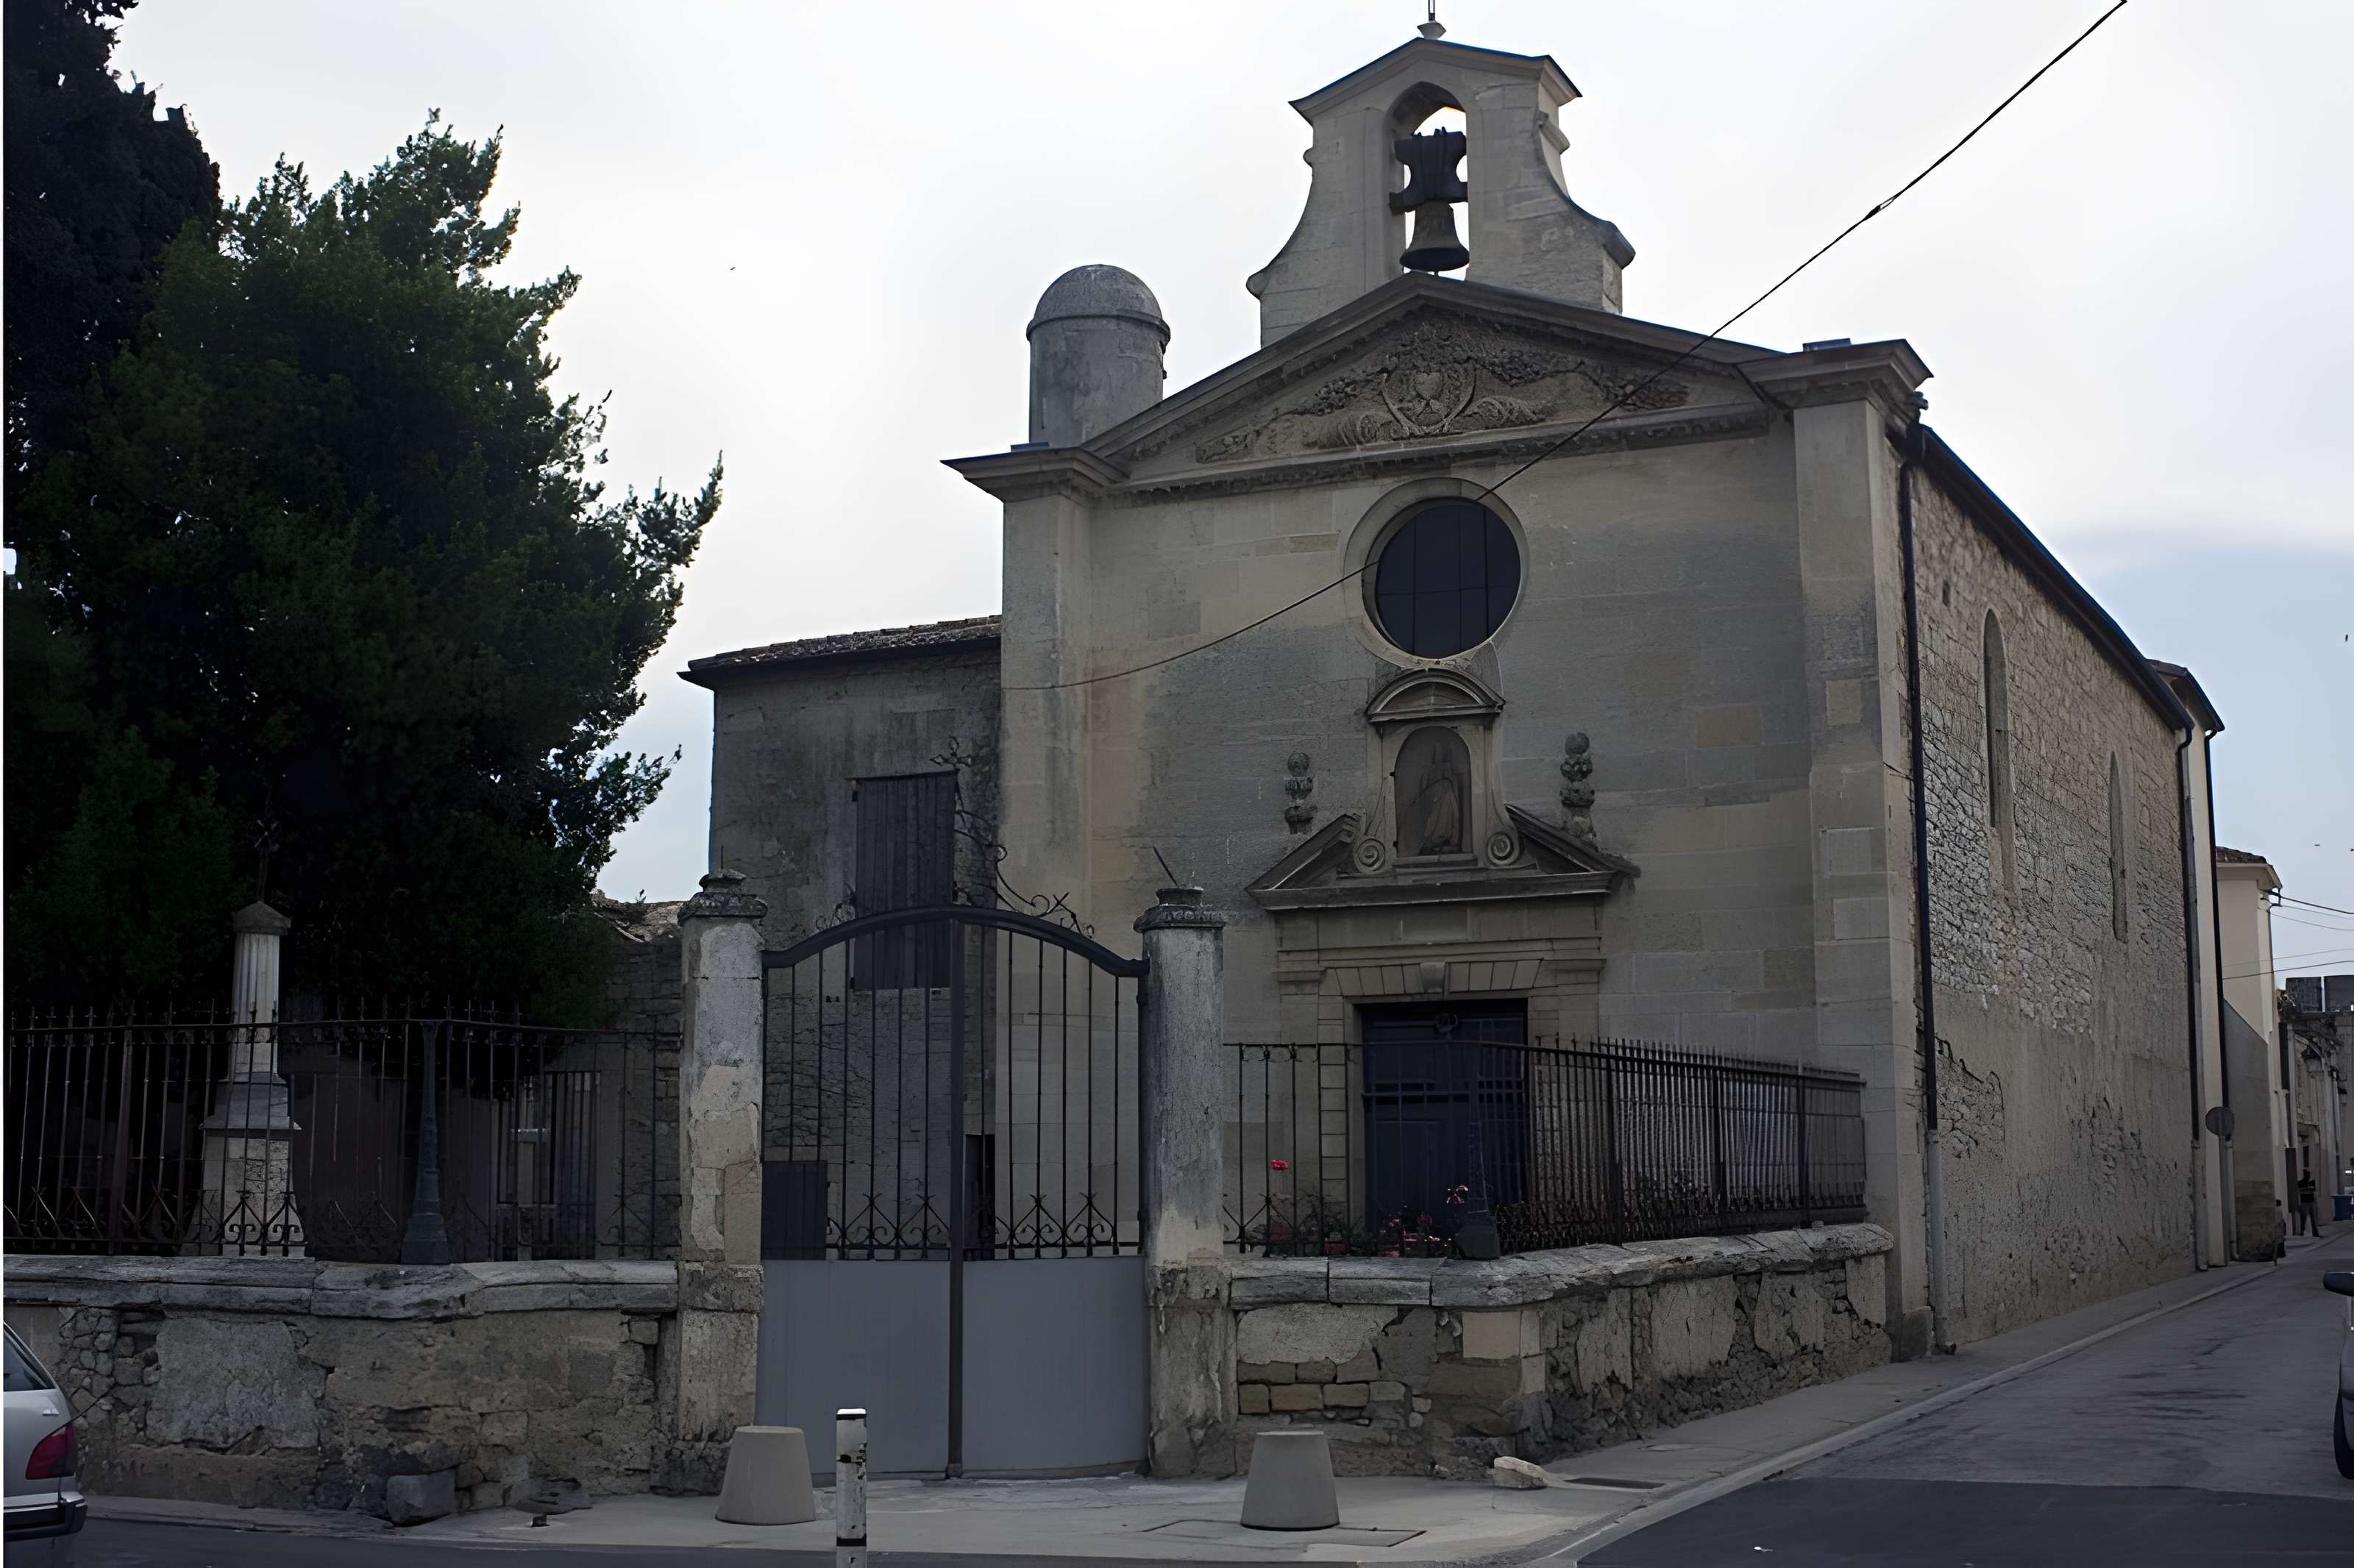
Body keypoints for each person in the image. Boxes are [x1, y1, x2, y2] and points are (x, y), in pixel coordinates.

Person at [2294, 1169, 2323, 1236]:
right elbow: (2304, 1191)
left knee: (2313, 1219)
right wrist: (2309, 1190)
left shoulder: (2311, 1182)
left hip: (2311, 1202)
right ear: (2304, 1175)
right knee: (2303, 1218)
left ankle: (2315, 1233)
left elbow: (2312, 1190)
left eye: (2309, 1175)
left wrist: (2308, 1190)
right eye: (2307, 1175)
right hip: (2304, 1202)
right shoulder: (2300, 1183)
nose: (2309, 1176)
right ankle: (2302, 1232)